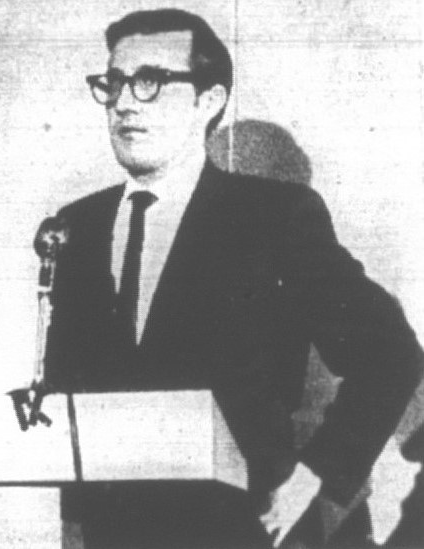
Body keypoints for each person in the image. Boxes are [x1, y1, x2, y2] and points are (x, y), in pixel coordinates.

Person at [44, 9, 423, 549]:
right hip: (115, 535)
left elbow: (390, 353)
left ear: (209, 101)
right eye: (114, 83)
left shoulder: (274, 216)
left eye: (149, 82)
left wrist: (314, 477)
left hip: (247, 530)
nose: (125, 102)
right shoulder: (75, 227)